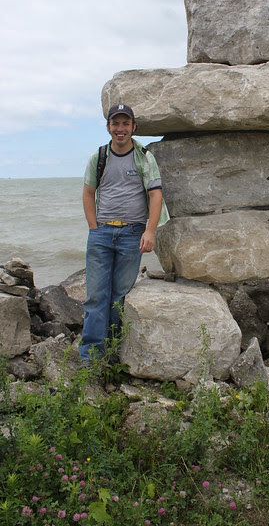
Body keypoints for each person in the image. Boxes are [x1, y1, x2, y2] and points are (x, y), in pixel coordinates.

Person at [79, 103, 169, 365]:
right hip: (102, 233)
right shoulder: (98, 157)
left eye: (125, 123)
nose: (120, 129)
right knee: (96, 296)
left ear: (133, 127)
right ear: (108, 127)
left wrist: (149, 231)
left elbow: (155, 196)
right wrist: (94, 227)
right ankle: (91, 359)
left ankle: (112, 352)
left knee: (119, 297)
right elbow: (88, 193)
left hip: (132, 234)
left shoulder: (144, 157)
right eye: (115, 123)